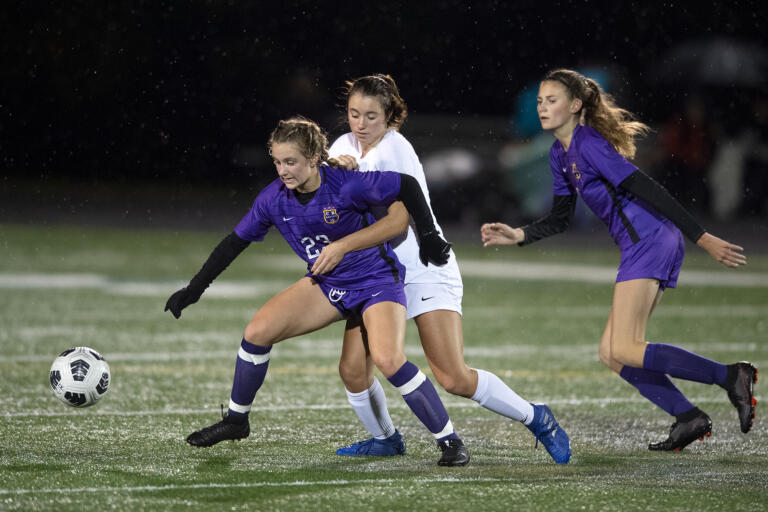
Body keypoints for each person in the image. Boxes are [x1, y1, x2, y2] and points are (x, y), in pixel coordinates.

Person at [165, 116, 469, 466]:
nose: (283, 170)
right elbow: (234, 243)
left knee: (388, 359)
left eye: (291, 161)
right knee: (257, 332)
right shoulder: (273, 199)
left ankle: (450, 441)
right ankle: (236, 420)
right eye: (277, 162)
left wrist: (430, 236)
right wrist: (195, 288)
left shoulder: (347, 185)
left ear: (314, 159)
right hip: (329, 285)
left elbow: (408, 185)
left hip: (375, 283)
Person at [481, 68, 758, 452]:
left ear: (576, 105)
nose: (543, 107)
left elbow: (647, 188)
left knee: (626, 348)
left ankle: (731, 375)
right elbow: (562, 217)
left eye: (553, 100)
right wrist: (519, 235)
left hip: (651, 239)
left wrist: (703, 238)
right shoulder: (559, 154)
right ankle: (688, 416)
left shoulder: (589, 144)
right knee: (612, 353)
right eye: (541, 101)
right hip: (640, 244)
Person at [320, 74, 570, 464]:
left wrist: (343, 180)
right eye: (354, 114)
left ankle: (536, 417)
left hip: (423, 267)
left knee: (453, 376)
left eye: (371, 116)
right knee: (354, 370)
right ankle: (386, 438)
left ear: (390, 117)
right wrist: (333, 169)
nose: (361, 124)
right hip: (377, 274)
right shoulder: (341, 146)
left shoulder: (395, 149)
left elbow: (394, 221)